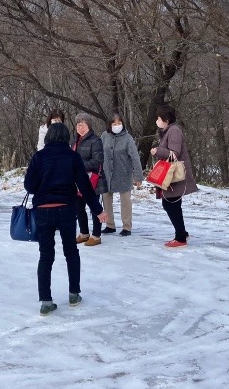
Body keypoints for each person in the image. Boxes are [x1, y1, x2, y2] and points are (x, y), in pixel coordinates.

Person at [24, 122, 107, 316]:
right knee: (71, 251)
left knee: (46, 255)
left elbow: (29, 185)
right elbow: (85, 187)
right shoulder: (73, 157)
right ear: (65, 137)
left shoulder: (39, 157)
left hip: (43, 210)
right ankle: (74, 294)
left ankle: (45, 301)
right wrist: (98, 210)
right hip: (66, 209)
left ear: (48, 137)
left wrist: (43, 188)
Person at [150, 105, 198, 248]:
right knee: (173, 204)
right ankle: (182, 233)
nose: (157, 121)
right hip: (172, 177)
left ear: (166, 119)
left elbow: (174, 153)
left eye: (159, 118)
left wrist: (157, 151)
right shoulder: (168, 131)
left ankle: (180, 238)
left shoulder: (174, 131)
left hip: (175, 176)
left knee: (171, 204)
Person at [99, 113, 144, 236]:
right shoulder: (104, 136)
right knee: (106, 199)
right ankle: (109, 224)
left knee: (125, 201)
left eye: (119, 123)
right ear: (110, 125)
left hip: (124, 173)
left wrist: (138, 175)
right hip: (106, 173)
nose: (117, 125)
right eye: (114, 123)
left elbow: (135, 157)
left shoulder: (128, 138)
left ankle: (127, 226)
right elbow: (99, 153)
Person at [71, 113, 104, 246]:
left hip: (93, 179)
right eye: (78, 125)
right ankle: (84, 232)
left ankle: (96, 235)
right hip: (78, 179)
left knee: (94, 206)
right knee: (79, 206)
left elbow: (97, 161)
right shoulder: (74, 140)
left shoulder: (96, 141)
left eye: (83, 125)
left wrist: (78, 166)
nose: (80, 128)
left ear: (89, 126)